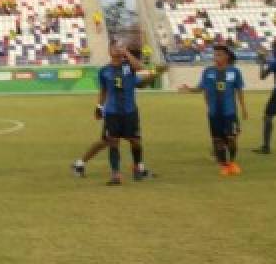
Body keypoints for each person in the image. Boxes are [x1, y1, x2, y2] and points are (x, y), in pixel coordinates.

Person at [72, 43, 163, 185]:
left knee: (134, 141)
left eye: (121, 47)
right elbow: (103, 90)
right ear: (109, 51)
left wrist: (127, 53)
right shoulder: (104, 71)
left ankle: (137, 168)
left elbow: (140, 70)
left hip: (130, 112)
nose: (118, 49)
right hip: (113, 113)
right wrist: (99, 107)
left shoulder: (128, 67)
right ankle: (116, 174)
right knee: (112, 142)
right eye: (115, 48)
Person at [180, 44, 248, 176]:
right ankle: (224, 165)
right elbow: (201, 88)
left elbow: (239, 90)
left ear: (226, 56)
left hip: (229, 112)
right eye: (215, 54)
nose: (216, 57)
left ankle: (232, 162)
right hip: (214, 113)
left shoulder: (234, 71)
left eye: (219, 54)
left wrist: (244, 108)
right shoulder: (208, 71)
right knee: (218, 140)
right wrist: (189, 89)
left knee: (232, 138)